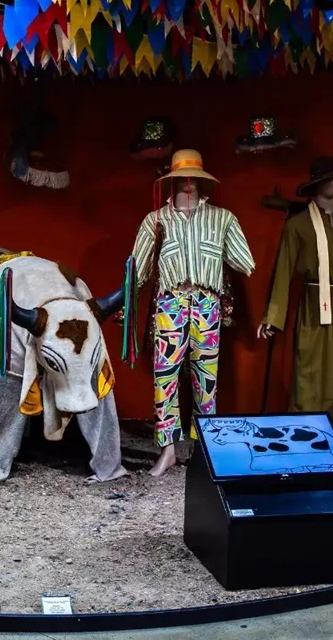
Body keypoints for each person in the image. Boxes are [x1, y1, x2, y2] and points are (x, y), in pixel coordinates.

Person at [130, 149, 255, 476]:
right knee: (165, 378)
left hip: (206, 304)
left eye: (193, 177)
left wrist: (219, 251)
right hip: (170, 303)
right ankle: (168, 450)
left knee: (206, 379)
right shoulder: (155, 220)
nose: (188, 184)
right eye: (180, 178)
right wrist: (125, 303)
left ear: (202, 179)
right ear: (171, 181)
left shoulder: (223, 218)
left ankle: (204, 450)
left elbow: (245, 262)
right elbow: (137, 272)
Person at [257, 156, 333, 450]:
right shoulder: (298, 226)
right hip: (315, 308)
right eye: (328, 179)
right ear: (316, 185)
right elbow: (284, 269)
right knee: (310, 375)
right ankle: (303, 443)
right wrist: (273, 317)